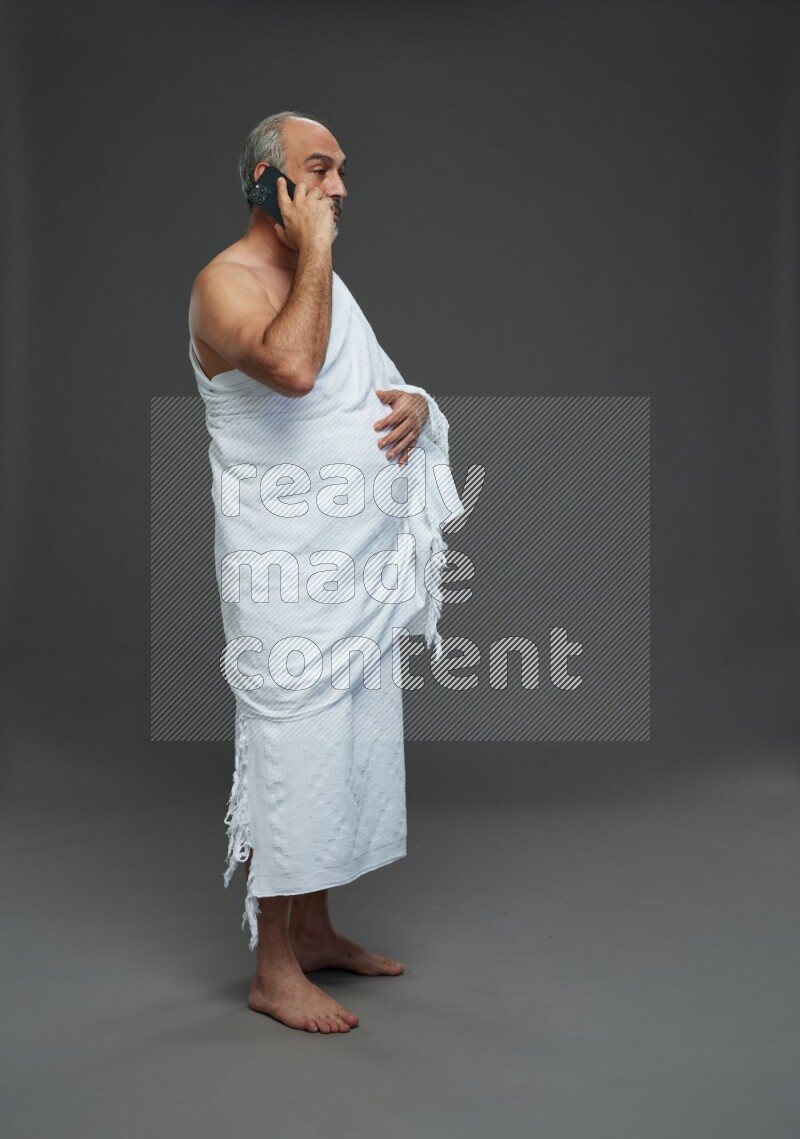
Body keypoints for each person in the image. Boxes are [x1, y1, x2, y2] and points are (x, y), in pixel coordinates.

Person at [187, 112, 463, 1034]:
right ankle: (272, 966)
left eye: (343, 171)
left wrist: (418, 406)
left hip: (351, 573)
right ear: (269, 182)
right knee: (293, 747)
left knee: (349, 737)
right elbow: (296, 370)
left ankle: (315, 931)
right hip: (283, 575)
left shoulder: (324, 286)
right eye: (319, 171)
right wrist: (313, 253)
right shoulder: (222, 286)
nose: (341, 189)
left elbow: (379, 381)